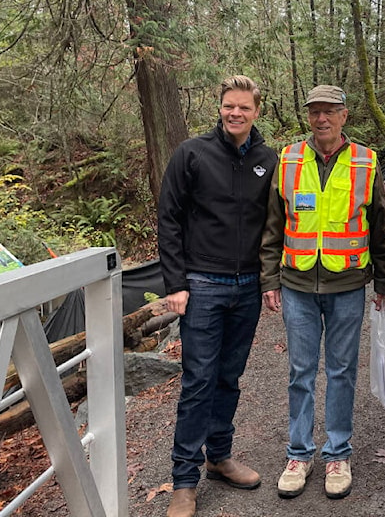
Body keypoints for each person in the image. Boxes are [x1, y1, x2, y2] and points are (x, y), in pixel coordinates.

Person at [260, 84, 385, 500]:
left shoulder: (365, 161)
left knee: (340, 371)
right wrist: (269, 279)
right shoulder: (288, 158)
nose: (322, 119)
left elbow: (379, 224)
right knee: (300, 373)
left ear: (344, 115)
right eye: (315, 112)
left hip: (347, 285)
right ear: (309, 117)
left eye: (329, 112)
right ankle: (299, 454)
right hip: (297, 283)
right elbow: (272, 225)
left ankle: (338, 453)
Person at [157, 75, 278, 517]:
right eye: (229, 106)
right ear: (220, 106)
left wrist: (269, 280)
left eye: (244, 107)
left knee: (229, 376)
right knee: (198, 381)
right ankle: (184, 481)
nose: (235, 113)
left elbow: (274, 224)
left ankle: (219, 456)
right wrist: (176, 285)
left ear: (256, 111)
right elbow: (168, 220)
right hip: (202, 285)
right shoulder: (192, 153)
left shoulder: (269, 159)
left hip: (247, 286)